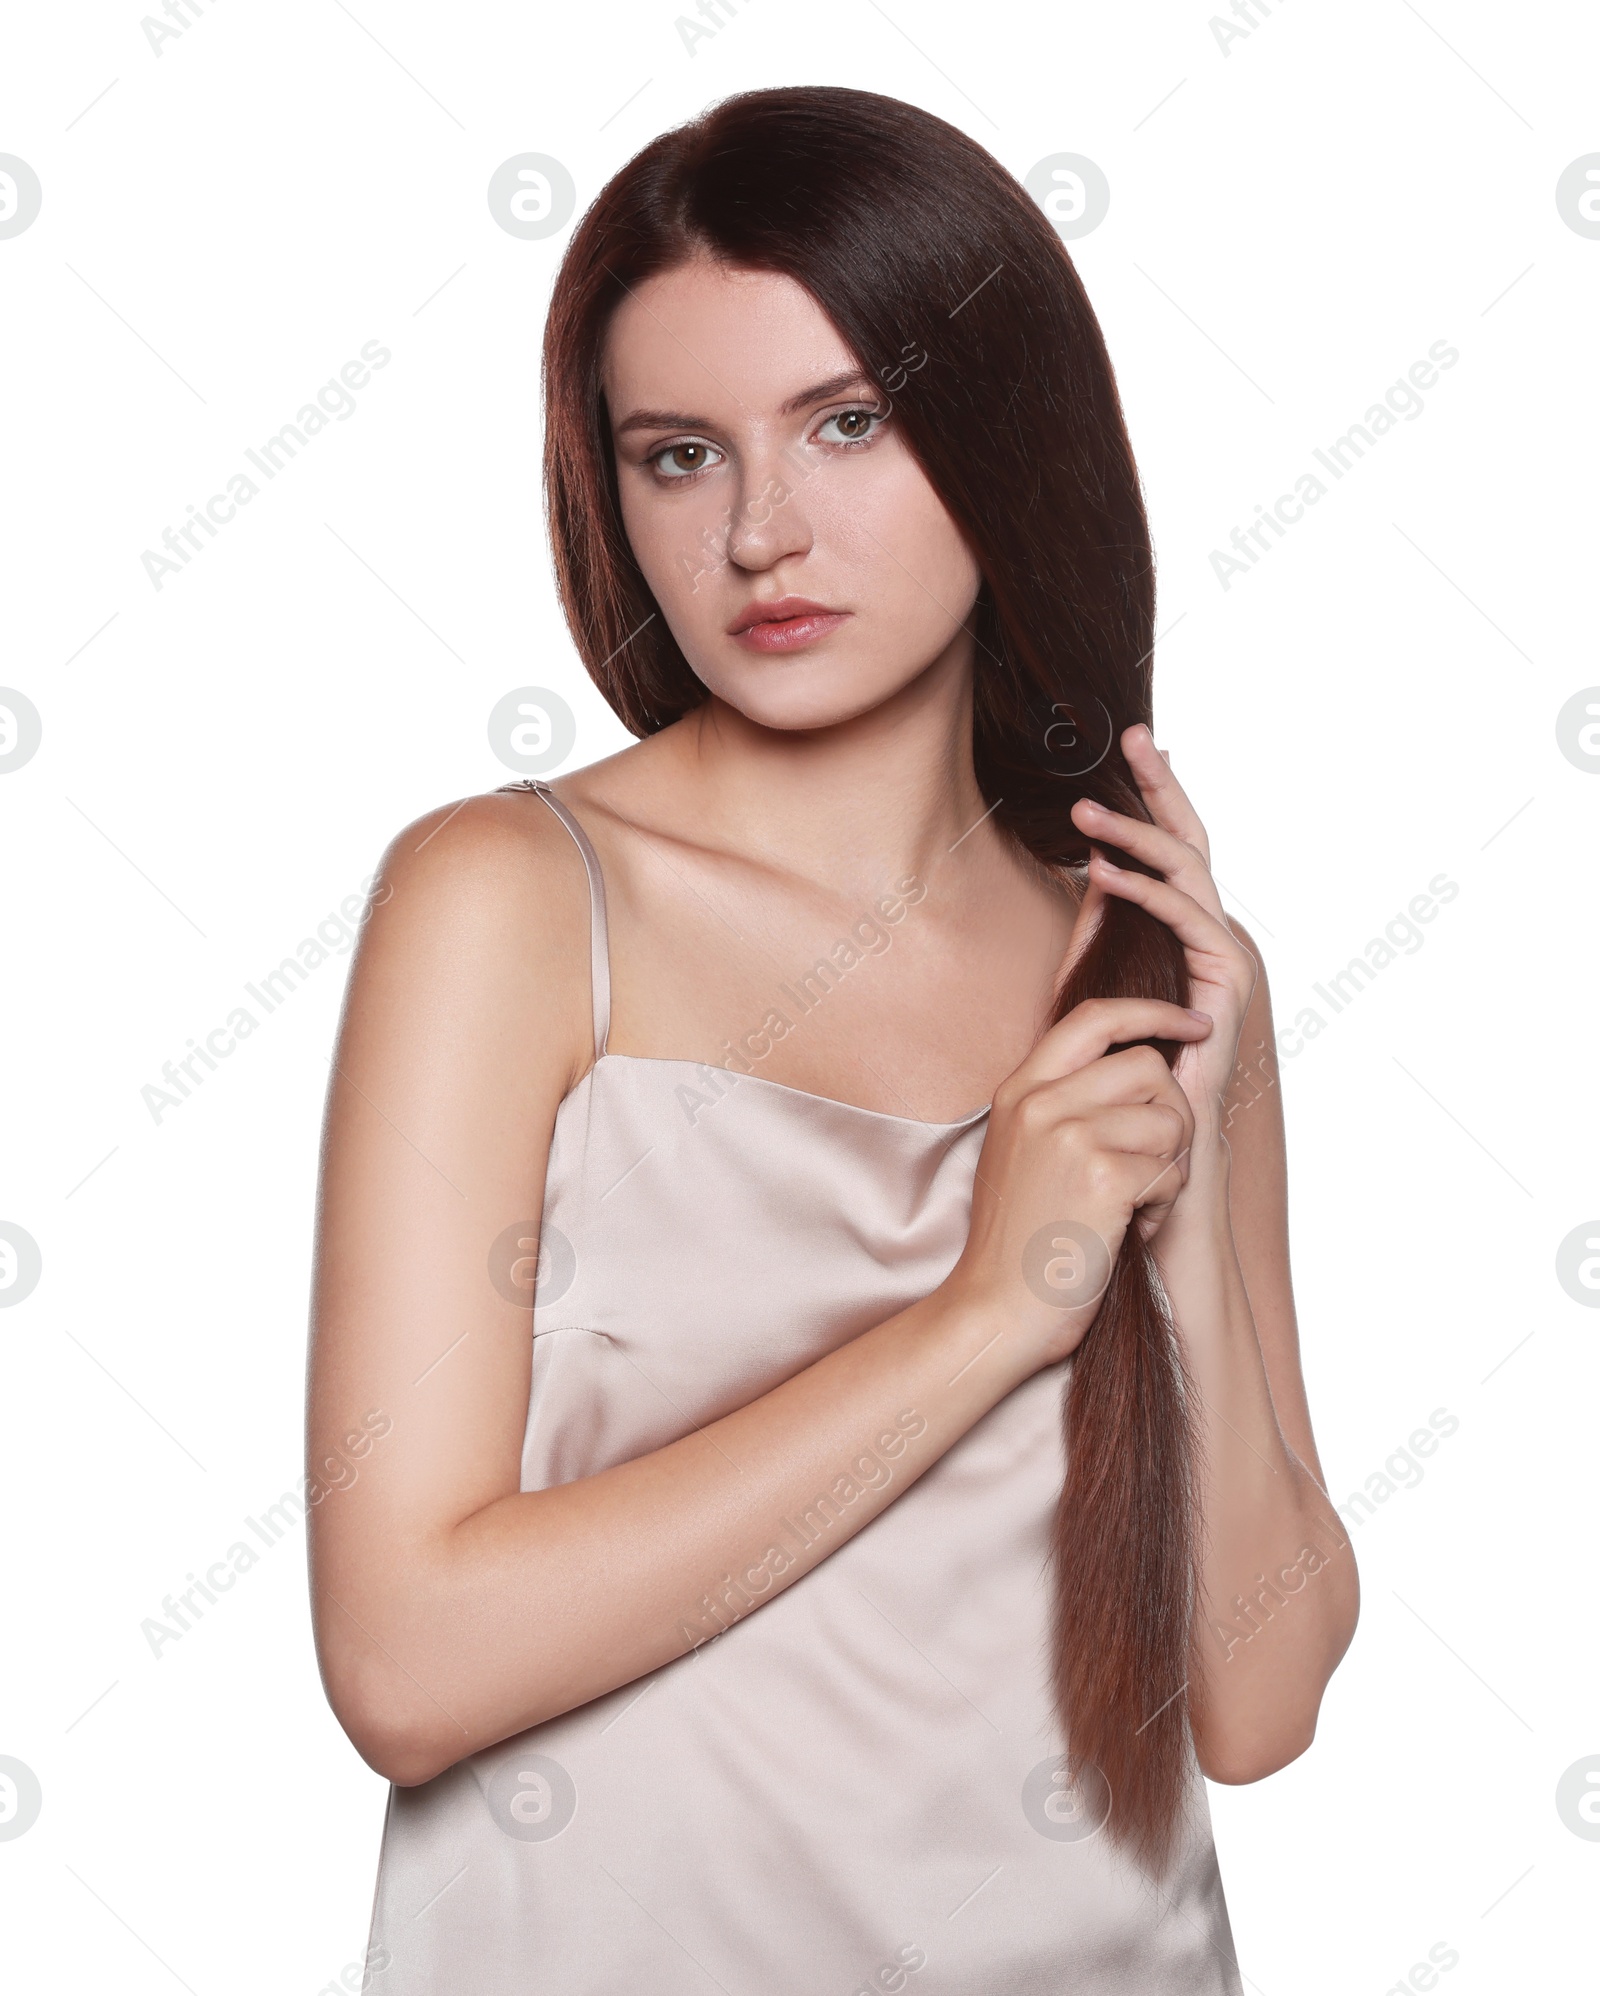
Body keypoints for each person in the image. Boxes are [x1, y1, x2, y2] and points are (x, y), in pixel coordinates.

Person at [307, 84, 1358, 1993]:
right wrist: (985, 1314)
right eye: (680, 455)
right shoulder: (514, 904)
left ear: (1002, 431)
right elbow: (403, 1668)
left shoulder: (1162, 965)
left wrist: (1181, 1232)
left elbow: (1258, 1708)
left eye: (848, 423)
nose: (764, 532)